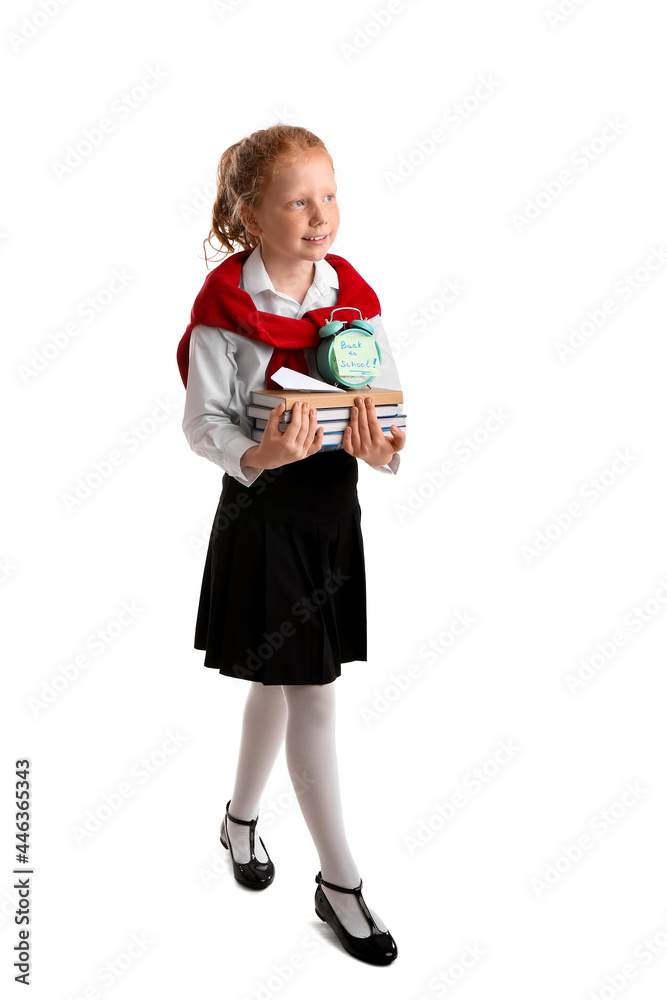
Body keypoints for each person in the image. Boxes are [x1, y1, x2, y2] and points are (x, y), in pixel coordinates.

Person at [177, 124, 405, 966]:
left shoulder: (350, 294)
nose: (320, 216)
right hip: (263, 512)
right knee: (308, 689)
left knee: (282, 679)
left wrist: (382, 447)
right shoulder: (223, 311)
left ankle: (238, 823)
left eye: (330, 194)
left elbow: (381, 403)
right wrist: (259, 453)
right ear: (250, 214)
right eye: (297, 201)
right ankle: (339, 881)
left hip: (331, 509)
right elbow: (202, 421)